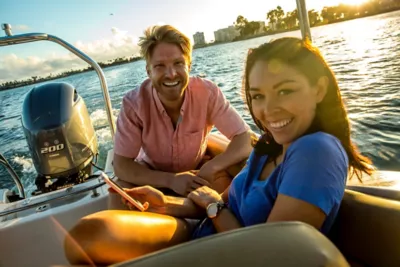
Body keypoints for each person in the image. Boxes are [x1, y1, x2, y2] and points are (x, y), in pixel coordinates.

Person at [64, 37, 375, 265]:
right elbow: (219, 202)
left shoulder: (316, 150)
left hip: (225, 252)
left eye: (285, 90)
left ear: (319, 89)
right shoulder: (271, 146)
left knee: (88, 239)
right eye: (257, 96)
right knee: (87, 236)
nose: (268, 109)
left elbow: (272, 255)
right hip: (206, 230)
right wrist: (168, 203)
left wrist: (214, 207)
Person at [111, 24, 253, 200]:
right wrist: (170, 181)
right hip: (151, 176)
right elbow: (121, 165)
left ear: (189, 66)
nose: (171, 74)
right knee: (118, 194)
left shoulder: (207, 93)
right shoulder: (133, 104)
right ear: (149, 71)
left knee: (240, 189)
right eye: (160, 66)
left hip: (198, 174)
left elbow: (244, 138)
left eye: (178, 63)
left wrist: (211, 167)